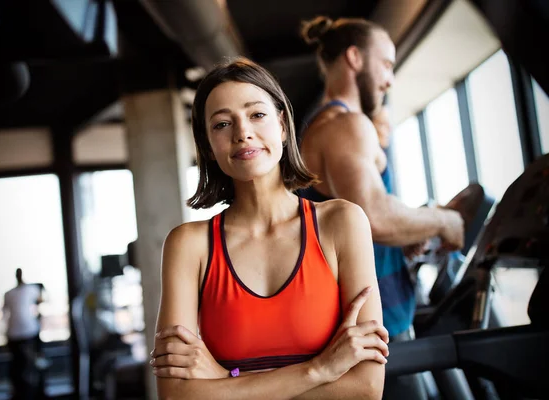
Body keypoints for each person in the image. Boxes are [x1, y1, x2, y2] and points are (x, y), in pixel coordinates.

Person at [150, 57, 390, 399]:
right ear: (207, 144)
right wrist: (320, 369)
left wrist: (222, 381)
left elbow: (365, 388)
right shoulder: (188, 246)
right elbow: (175, 395)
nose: (242, 132)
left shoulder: (342, 223)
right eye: (221, 124)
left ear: (282, 125)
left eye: (257, 115)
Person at [298, 16, 465, 398]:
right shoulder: (346, 124)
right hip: (373, 330)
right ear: (355, 58)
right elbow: (373, 216)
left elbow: (358, 221)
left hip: (376, 324)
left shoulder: (330, 125)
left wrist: (406, 233)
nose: (390, 79)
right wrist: (443, 220)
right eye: (386, 65)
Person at [3, 268, 42, 400]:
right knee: (30, 361)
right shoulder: (31, 289)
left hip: (13, 332)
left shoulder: (8, 293)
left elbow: (5, 312)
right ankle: (33, 389)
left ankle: (19, 391)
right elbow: (41, 300)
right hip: (28, 331)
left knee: (16, 363)